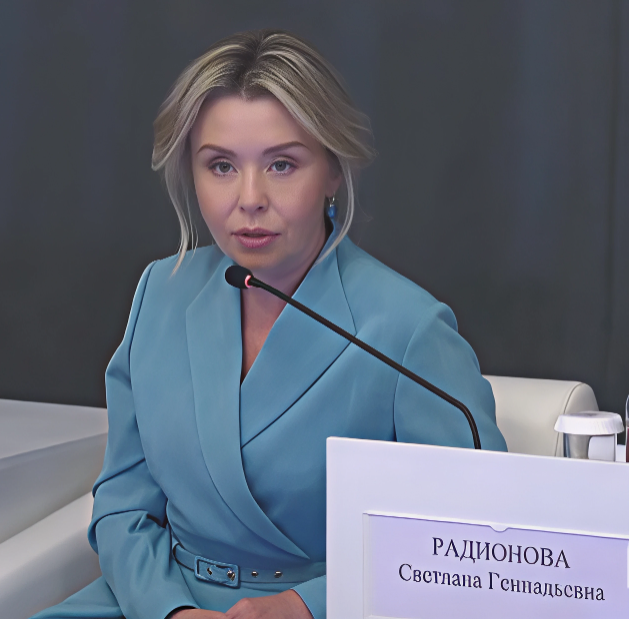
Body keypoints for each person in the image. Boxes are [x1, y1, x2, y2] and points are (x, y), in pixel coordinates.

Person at [32, 29, 507, 619]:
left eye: (282, 164)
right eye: (221, 166)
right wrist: (169, 610)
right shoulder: (161, 291)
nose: (250, 198)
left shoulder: (410, 329)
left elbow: (474, 536)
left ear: (333, 171)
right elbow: (124, 504)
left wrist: (304, 605)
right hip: (155, 599)